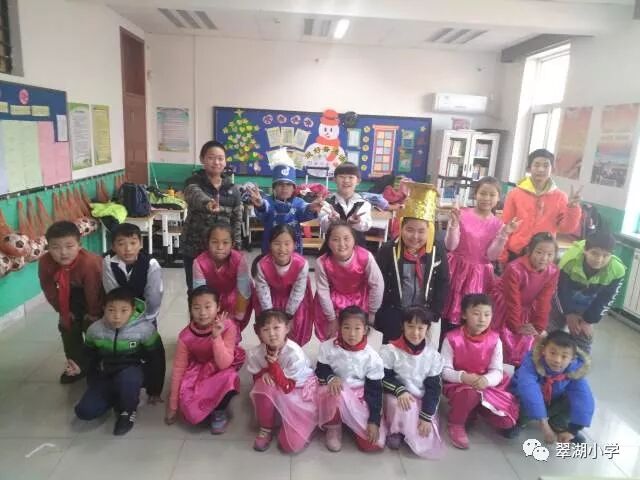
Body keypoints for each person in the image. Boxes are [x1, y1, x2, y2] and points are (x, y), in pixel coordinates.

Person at [74, 287, 164, 436]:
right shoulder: (94, 330)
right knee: (84, 412)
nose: (117, 316)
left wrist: (154, 389)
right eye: (111, 310)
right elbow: (88, 355)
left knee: (128, 378)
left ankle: (128, 411)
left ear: (133, 310)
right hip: (105, 374)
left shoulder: (145, 330)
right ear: (104, 309)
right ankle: (116, 396)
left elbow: (157, 359)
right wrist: (80, 367)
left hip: (132, 371)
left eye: (124, 311)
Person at [375, 182, 449, 347]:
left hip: (424, 316)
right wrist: (380, 314)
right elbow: (378, 283)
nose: (415, 236)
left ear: (429, 231)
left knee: (420, 352)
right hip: (394, 315)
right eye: (409, 230)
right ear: (401, 228)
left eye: (421, 231)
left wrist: (434, 314)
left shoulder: (436, 250)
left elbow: (443, 282)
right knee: (392, 351)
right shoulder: (388, 250)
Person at [441, 294, 519, 449]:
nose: (482, 319)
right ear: (464, 315)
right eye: (476, 314)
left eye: (487, 314)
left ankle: (474, 408)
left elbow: (497, 370)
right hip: (459, 385)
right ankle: (456, 423)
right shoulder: (452, 338)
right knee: (469, 394)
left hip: (486, 385)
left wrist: (486, 380)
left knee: (506, 422)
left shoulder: (495, 340)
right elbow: (444, 370)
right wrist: (463, 377)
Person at [164, 286, 244, 434]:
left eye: (208, 307)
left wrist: (216, 337)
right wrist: (173, 406)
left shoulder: (228, 326)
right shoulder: (185, 336)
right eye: (196, 308)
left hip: (220, 366)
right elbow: (178, 369)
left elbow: (224, 364)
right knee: (191, 412)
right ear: (190, 309)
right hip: (198, 370)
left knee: (230, 378)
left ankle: (219, 411)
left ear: (218, 307)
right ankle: (207, 407)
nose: (202, 313)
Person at [442, 177, 520, 328]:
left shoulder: (498, 224)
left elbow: (491, 256)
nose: (486, 198)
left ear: (498, 198)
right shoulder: (461, 214)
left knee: (472, 316)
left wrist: (504, 234)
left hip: (479, 275)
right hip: (456, 269)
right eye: (483, 193)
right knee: (446, 312)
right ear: (475, 194)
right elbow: (451, 246)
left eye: (492, 195)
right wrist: (454, 224)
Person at [38, 221, 104, 383]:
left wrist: (93, 313)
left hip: (97, 297)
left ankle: (100, 364)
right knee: (67, 327)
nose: (63, 253)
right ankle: (76, 366)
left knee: (94, 329)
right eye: (55, 247)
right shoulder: (45, 262)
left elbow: (94, 290)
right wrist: (63, 311)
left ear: (79, 246)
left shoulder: (90, 263)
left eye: (69, 246)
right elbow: (49, 288)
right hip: (67, 295)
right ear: (48, 247)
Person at [246, 309, 318, 453]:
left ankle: (304, 425)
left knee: (289, 445)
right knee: (263, 384)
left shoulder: (294, 354)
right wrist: (263, 374)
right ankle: (266, 428)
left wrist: (273, 367)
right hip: (277, 387)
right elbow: (255, 377)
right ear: (259, 333)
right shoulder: (255, 353)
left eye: (276, 327)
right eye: (265, 329)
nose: (271, 334)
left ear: (287, 328)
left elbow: (287, 386)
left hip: (297, 392)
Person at [316, 306, 386, 452]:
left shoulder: (372, 357)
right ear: (339, 328)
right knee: (336, 392)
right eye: (346, 327)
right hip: (335, 390)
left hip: (359, 396)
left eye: (357, 328)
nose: (352, 334)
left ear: (365, 330)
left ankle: (352, 423)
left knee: (371, 445)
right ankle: (334, 426)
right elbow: (321, 369)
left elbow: (374, 391)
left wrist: (374, 421)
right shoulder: (328, 347)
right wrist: (331, 378)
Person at [380, 306, 445, 458]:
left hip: (421, 397)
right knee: (400, 404)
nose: (415, 333)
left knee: (424, 431)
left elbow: (434, 389)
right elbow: (383, 377)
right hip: (397, 394)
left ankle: (413, 426)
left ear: (427, 328)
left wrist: (426, 416)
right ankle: (396, 431)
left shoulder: (432, 356)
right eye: (410, 326)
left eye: (420, 328)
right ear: (402, 326)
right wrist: (399, 390)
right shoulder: (391, 350)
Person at [548, 230, 626, 353]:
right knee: (551, 333)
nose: (599, 259)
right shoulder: (569, 261)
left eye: (605, 255)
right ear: (585, 250)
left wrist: (588, 321)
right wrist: (568, 314)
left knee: (583, 337)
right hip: (562, 300)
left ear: (611, 255)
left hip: (587, 304)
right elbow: (560, 290)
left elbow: (606, 299)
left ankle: (577, 361)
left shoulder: (617, 270)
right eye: (594, 253)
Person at [510, 331, 594, 444]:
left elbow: (583, 397)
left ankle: (558, 424)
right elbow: (529, 390)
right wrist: (544, 426)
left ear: (572, 359)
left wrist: (573, 430)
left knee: (573, 400)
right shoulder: (532, 362)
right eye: (553, 353)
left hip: (551, 401)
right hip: (523, 400)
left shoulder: (574, 370)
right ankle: (518, 421)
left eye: (564, 356)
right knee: (523, 399)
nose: (557, 360)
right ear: (544, 350)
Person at [501, 149, 582, 263]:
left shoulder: (560, 197)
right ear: (529, 168)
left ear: (552, 169)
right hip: (516, 251)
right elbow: (505, 225)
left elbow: (566, 229)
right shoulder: (515, 193)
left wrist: (573, 208)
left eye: (546, 165)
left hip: (544, 255)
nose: (541, 169)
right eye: (536, 165)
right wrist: (503, 255)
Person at [182, 140, 242, 292]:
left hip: (222, 252)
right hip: (195, 250)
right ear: (202, 159)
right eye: (211, 158)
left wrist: (237, 249)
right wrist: (208, 203)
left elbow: (236, 221)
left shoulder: (233, 189)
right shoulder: (193, 182)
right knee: (197, 292)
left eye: (220, 158)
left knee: (223, 291)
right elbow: (193, 194)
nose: (216, 162)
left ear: (225, 161)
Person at [492, 232, 559, 366]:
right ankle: (499, 367)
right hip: (505, 306)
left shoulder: (553, 271)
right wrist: (516, 326)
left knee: (526, 342)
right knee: (503, 340)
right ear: (529, 251)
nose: (544, 258)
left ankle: (518, 367)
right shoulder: (515, 268)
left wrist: (538, 327)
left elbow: (544, 300)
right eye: (539, 252)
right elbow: (512, 300)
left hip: (527, 308)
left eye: (550, 254)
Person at [314, 221, 384, 341]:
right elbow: (323, 292)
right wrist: (332, 318)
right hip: (333, 302)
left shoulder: (365, 257)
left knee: (356, 337)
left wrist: (372, 312)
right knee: (333, 338)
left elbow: (377, 285)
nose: (341, 244)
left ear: (354, 240)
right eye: (335, 239)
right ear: (328, 242)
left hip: (360, 300)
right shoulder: (322, 262)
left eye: (346, 238)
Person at [247, 148, 323, 254]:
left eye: (288, 184)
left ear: (293, 188)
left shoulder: (298, 203)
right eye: (280, 184)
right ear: (274, 187)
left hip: (293, 250)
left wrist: (311, 208)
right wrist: (260, 205)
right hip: (270, 249)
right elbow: (265, 208)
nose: (284, 187)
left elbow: (304, 209)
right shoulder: (268, 202)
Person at [252, 224, 314, 346]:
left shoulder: (301, 264)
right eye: (277, 243)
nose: (282, 248)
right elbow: (263, 293)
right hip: (270, 300)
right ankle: (271, 350)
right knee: (270, 329)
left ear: (294, 245)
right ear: (270, 245)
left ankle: (293, 350)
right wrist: (270, 316)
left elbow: (298, 291)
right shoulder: (262, 265)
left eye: (287, 244)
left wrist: (288, 315)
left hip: (293, 301)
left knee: (296, 324)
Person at [192, 223, 252, 334]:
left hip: (235, 299)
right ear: (207, 243)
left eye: (225, 243)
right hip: (210, 300)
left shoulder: (239, 259)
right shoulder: (199, 262)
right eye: (214, 242)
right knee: (209, 329)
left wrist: (238, 316)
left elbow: (243, 291)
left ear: (232, 244)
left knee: (232, 330)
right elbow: (200, 294)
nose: (220, 247)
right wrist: (206, 314)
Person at [102, 223, 163, 324]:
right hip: (119, 316)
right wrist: (122, 316)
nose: (128, 249)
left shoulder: (151, 264)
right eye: (121, 244)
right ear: (113, 247)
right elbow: (112, 293)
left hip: (145, 316)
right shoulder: (108, 262)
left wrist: (146, 318)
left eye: (133, 243)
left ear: (141, 244)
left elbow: (153, 297)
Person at [318, 162, 372, 242]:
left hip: (357, 245)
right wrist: (330, 220)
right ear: (334, 180)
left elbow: (366, 226)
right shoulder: (327, 202)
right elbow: (323, 227)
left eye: (351, 177)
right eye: (342, 177)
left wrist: (357, 222)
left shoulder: (364, 203)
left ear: (358, 181)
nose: (346, 181)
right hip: (333, 246)